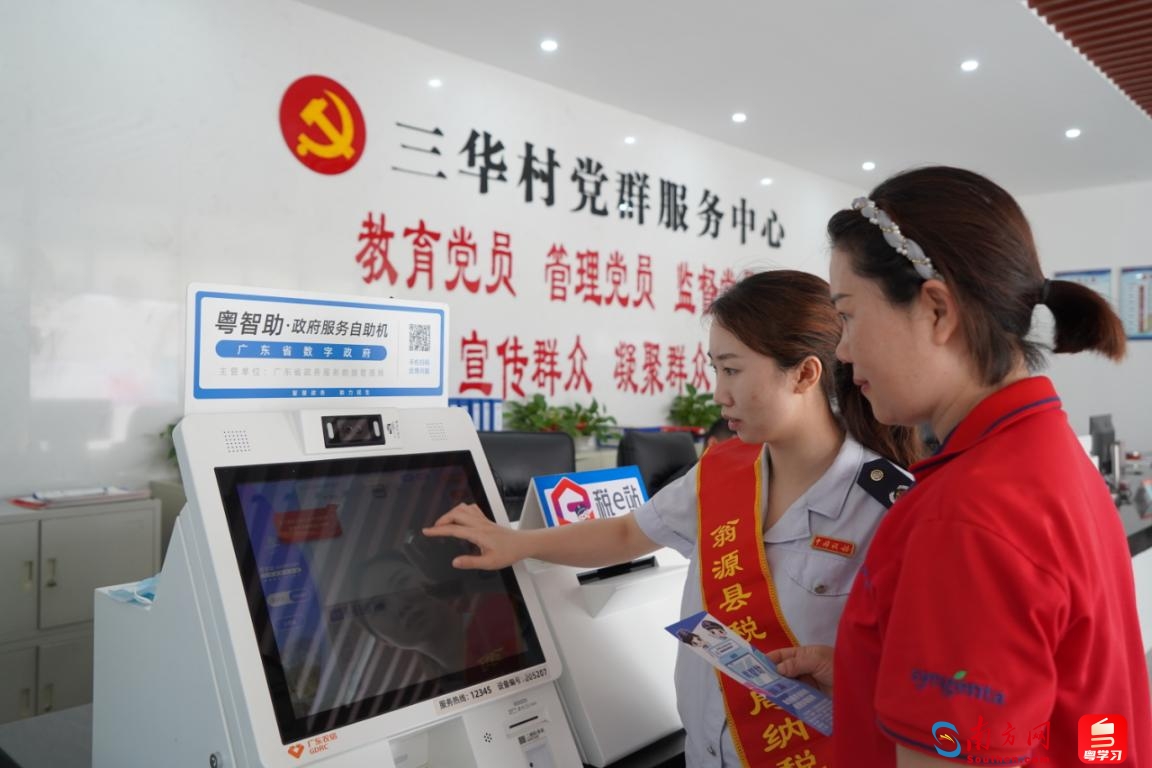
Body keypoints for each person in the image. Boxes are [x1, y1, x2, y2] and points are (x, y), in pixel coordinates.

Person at [425, 269, 922, 767]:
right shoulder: (722, 472)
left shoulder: (888, 507)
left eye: (732, 370)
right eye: (715, 369)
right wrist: (518, 543)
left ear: (804, 374)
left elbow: (928, 672)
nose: (718, 393)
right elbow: (629, 532)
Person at [772, 166, 1151, 767]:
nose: (841, 350)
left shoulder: (967, 515)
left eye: (848, 316)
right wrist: (870, 673)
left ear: (936, 311)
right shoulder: (1043, 454)